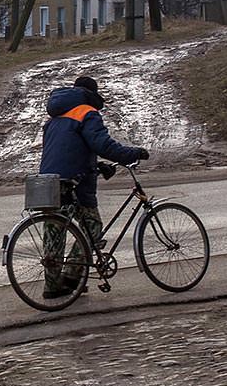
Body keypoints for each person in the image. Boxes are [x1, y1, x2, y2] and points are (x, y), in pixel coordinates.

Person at [38, 74, 149, 298]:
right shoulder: (87, 112)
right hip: (75, 182)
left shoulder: (54, 118)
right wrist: (130, 154)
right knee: (93, 226)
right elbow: (101, 143)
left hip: (47, 180)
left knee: (54, 231)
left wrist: (96, 166)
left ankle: (52, 287)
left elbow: (68, 150)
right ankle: (71, 274)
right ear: (91, 95)